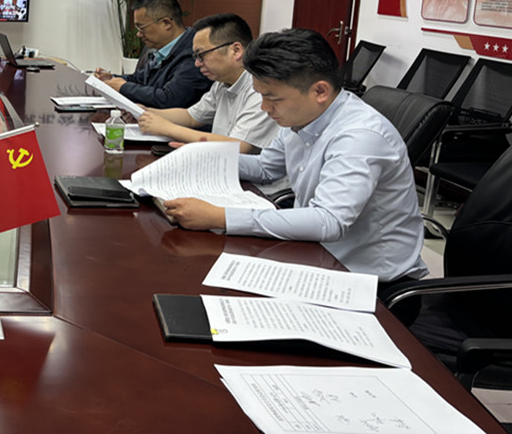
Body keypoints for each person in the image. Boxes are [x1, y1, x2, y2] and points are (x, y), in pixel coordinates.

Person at [162, 28, 428, 284]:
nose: (265, 108)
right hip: (314, 254)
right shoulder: (304, 115)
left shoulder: (359, 137)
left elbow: (329, 221)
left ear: (320, 91)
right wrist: (204, 159)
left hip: (367, 279)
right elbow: (266, 168)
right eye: (261, 96)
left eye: (273, 98)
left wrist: (220, 217)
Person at [136, 13, 279, 153]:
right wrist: (144, 113)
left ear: (236, 51)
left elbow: (239, 146)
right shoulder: (221, 83)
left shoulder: (261, 89)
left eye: (201, 55)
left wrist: (168, 128)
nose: (197, 64)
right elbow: (191, 117)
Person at [95, 0, 211, 108]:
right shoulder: (160, 50)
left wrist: (123, 87)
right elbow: (138, 79)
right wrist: (112, 78)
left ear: (166, 23)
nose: (138, 34)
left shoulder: (194, 55)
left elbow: (169, 99)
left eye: (141, 27)